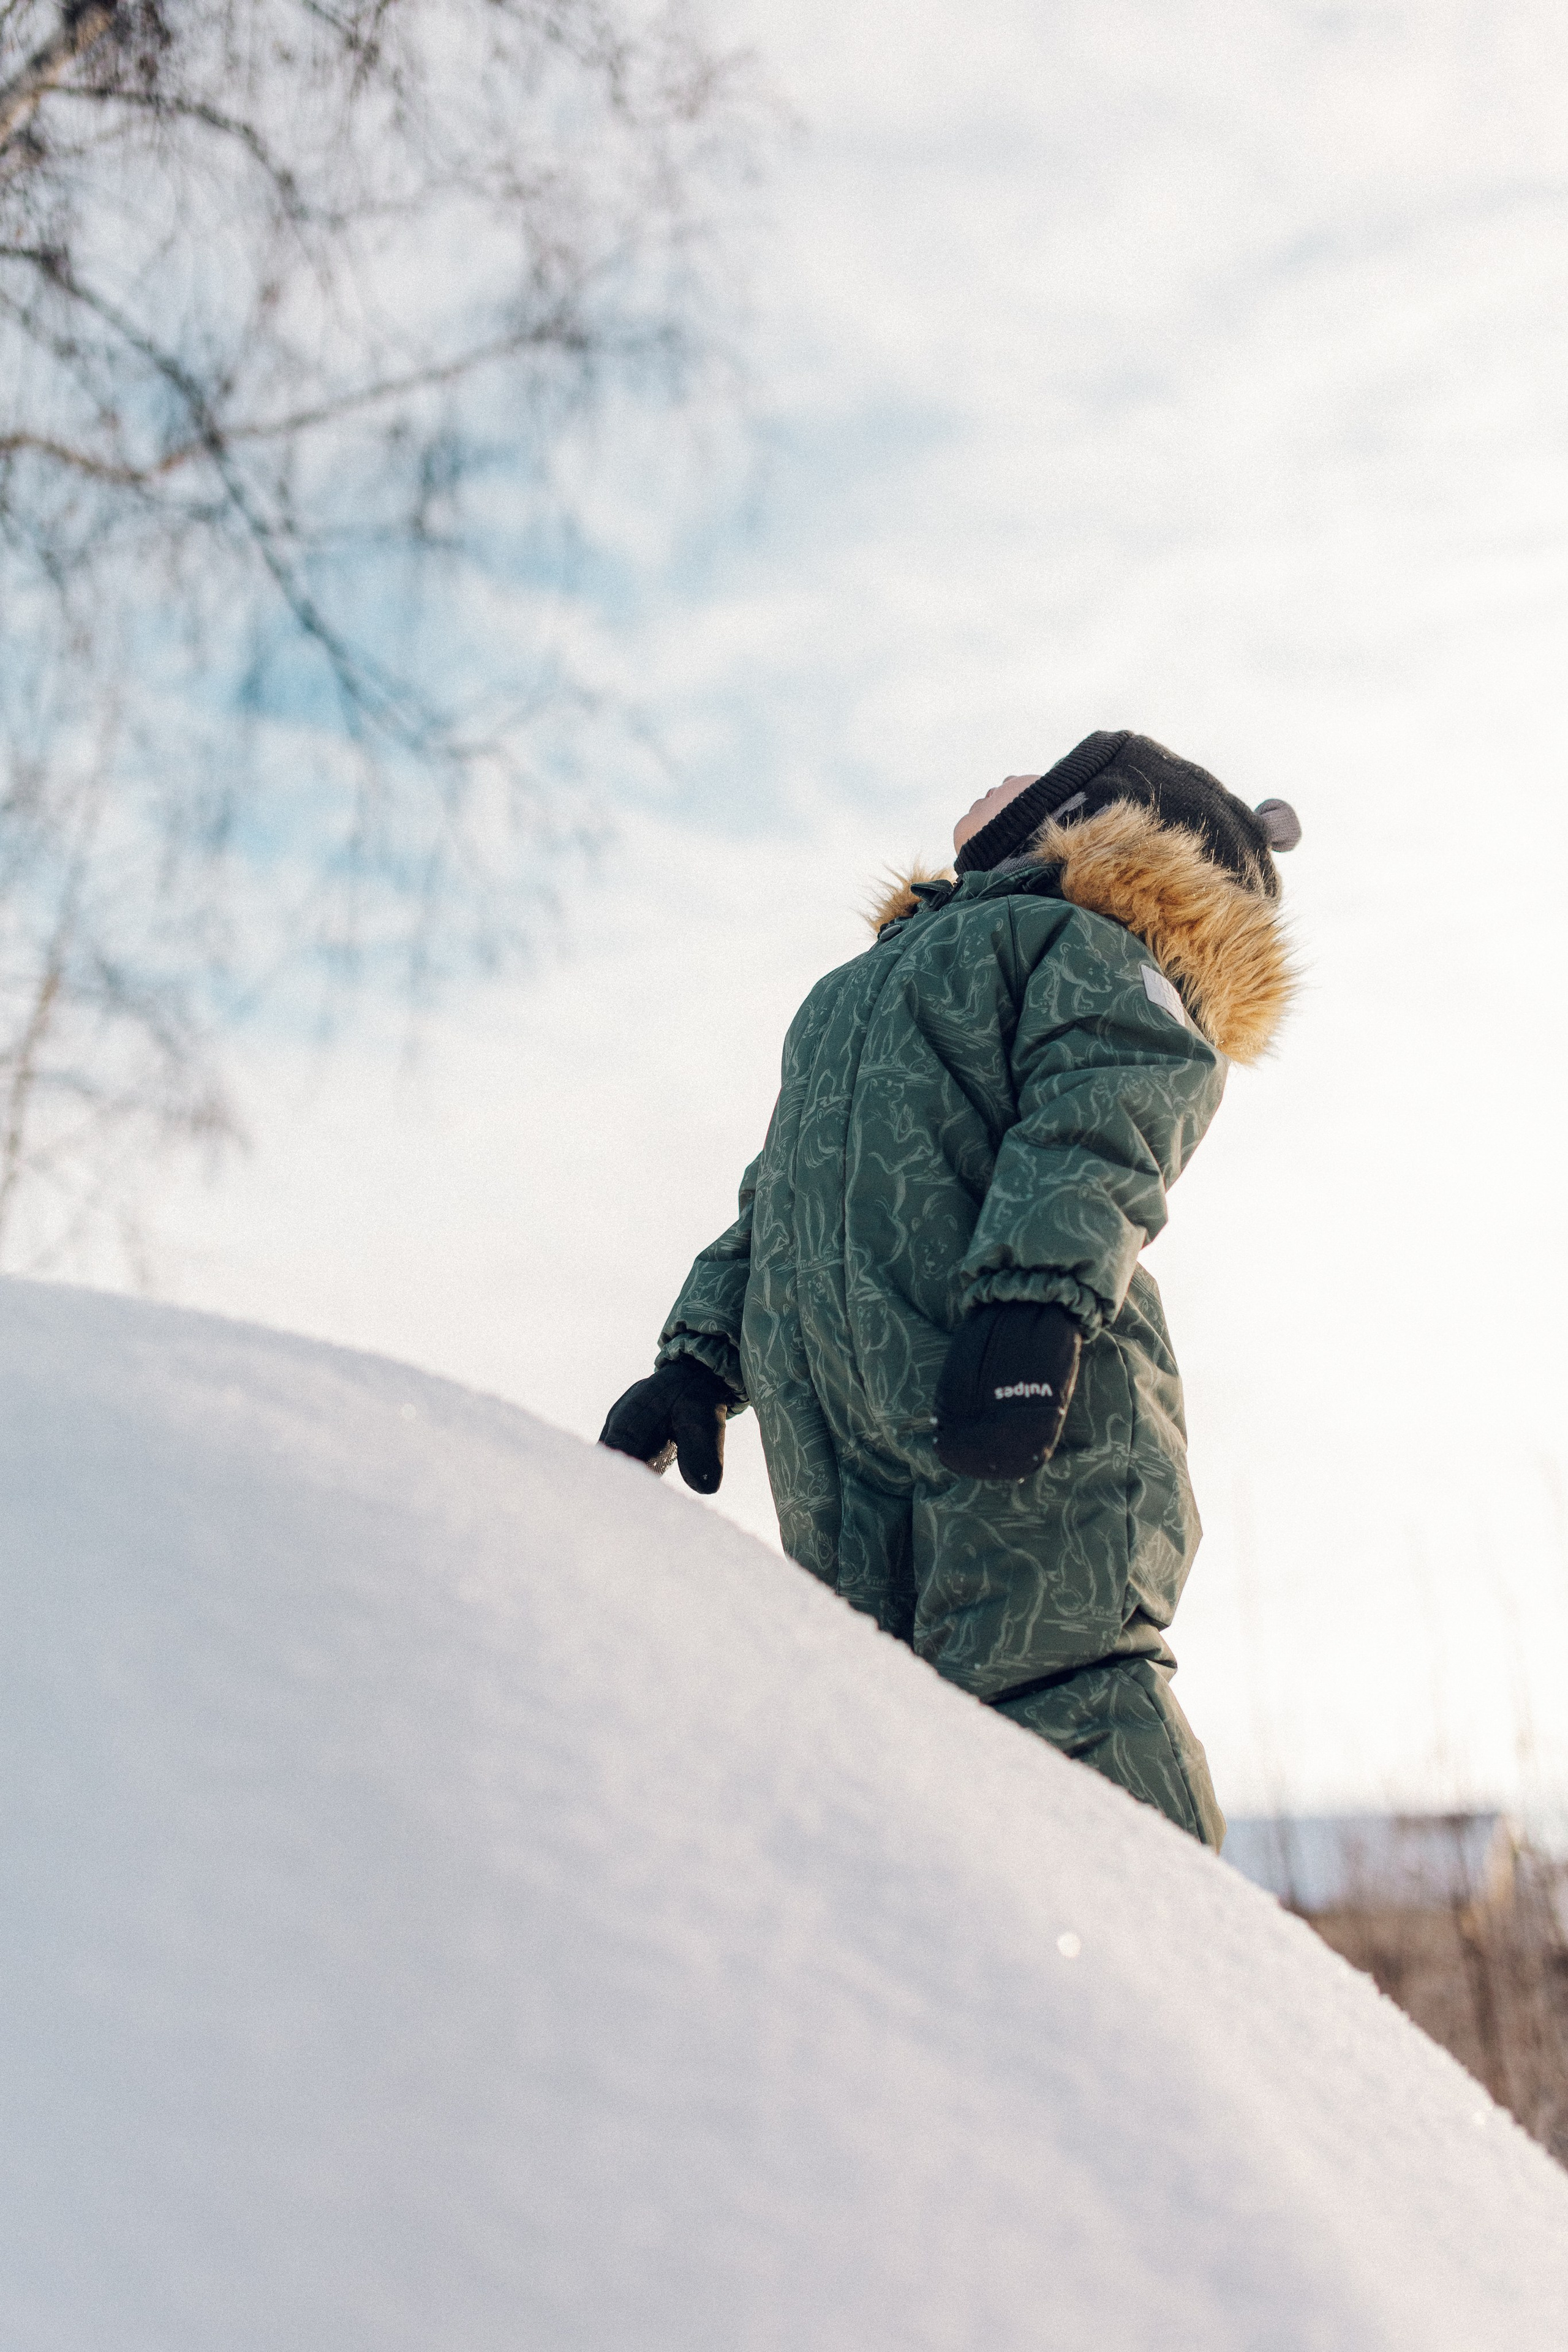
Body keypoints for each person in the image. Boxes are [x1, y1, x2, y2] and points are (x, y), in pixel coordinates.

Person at [600, 731, 1300, 1844]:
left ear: (1099, 815)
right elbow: (783, 1195)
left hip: (1021, 1383)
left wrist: (1037, 1299)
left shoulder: (1084, 942)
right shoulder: (864, 984)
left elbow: (1103, 1118)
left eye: (1040, 776)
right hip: (837, 1431)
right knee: (885, 1727)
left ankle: (1172, 1969)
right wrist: (696, 1357)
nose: (997, 776)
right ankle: (948, 1987)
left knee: (1059, 1683)